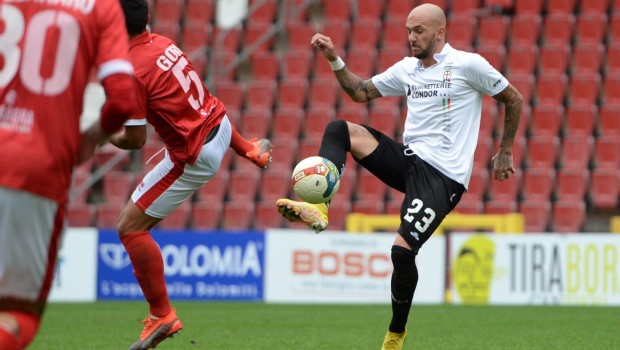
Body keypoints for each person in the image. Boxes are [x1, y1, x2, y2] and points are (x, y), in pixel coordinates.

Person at [276, 3, 522, 350]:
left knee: (401, 254)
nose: (411, 37)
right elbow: (360, 92)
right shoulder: (408, 70)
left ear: (439, 33)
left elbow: (514, 98)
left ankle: (395, 334)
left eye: (418, 31)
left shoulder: (468, 65)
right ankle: (320, 207)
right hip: (409, 160)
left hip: (443, 177)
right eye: (408, 30)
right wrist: (334, 58)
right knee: (339, 129)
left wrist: (506, 149)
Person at [113, 1, 272, 349]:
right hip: (222, 129)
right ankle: (252, 150)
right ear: (148, 19)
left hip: (194, 156)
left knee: (130, 228)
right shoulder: (164, 44)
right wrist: (247, 149)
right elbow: (203, 105)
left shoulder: (131, 68)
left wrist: (103, 132)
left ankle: (162, 315)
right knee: (137, 224)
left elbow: (136, 139)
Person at [0, 0, 138, 349]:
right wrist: (93, 137)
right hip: (34, 168)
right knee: (18, 312)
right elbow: (122, 100)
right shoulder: (102, 8)